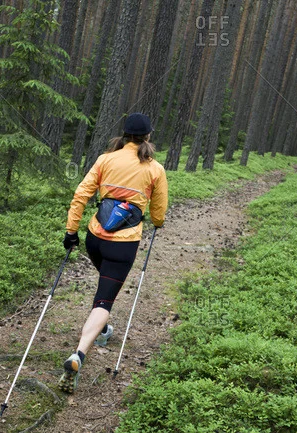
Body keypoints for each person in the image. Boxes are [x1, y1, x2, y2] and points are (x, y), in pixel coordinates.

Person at [59, 113, 168, 393]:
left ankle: (104, 330)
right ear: (148, 137)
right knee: (104, 299)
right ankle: (79, 353)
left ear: (124, 134)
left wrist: (71, 231)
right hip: (124, 242)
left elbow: (81, 195)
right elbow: (159, 209)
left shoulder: (106, 159)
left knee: (106, 287)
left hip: (95, 237)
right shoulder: (155, 169)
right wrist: (157, 222)